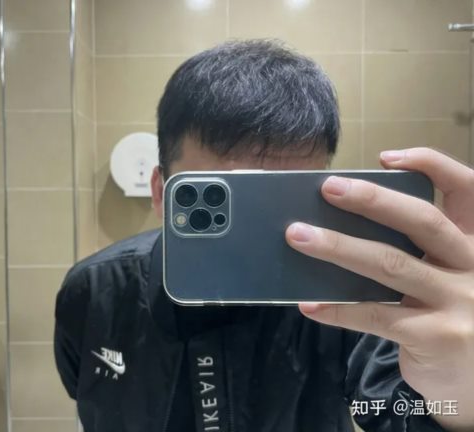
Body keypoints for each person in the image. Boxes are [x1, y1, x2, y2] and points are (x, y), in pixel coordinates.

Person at [54, 39, 474, 432]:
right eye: (220, 196)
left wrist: (461, 402)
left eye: (282, 203)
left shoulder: (344, 295)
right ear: (161, 192)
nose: (253, 240)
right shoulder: (96, 292)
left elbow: (396, 409)